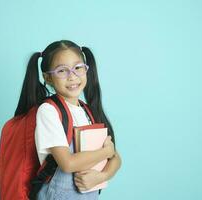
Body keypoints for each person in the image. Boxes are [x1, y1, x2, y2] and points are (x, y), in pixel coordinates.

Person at [15, 40, 122, 199]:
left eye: (78, 68)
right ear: (48, 78)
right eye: (62, 71)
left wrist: (102, 176)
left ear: (86, 70)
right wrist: (105, 151)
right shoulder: (49, 111)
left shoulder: (88, 111)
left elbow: (116, 158)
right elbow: (68, 163)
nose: (72, 76)